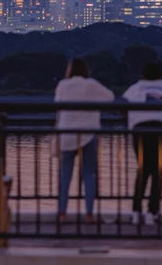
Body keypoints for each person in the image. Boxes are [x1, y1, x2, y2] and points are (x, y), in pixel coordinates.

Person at [55, 57, 114, 222]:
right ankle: (89, 213)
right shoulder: (91, 84)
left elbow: (57, 104)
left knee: (65, 175)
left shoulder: (63, 85)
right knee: (89, 174)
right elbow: (110, 97)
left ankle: (62, 213)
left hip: (66, 133)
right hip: (88, 133)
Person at [122, 61, 162, 225]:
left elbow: (122, 106)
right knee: (157, 172)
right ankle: (152, 213)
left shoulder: (136, 87)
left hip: (139, 129)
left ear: (143, 74)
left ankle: (135, 212)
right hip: (158, 128)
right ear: (160, 74)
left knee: (143, 170)